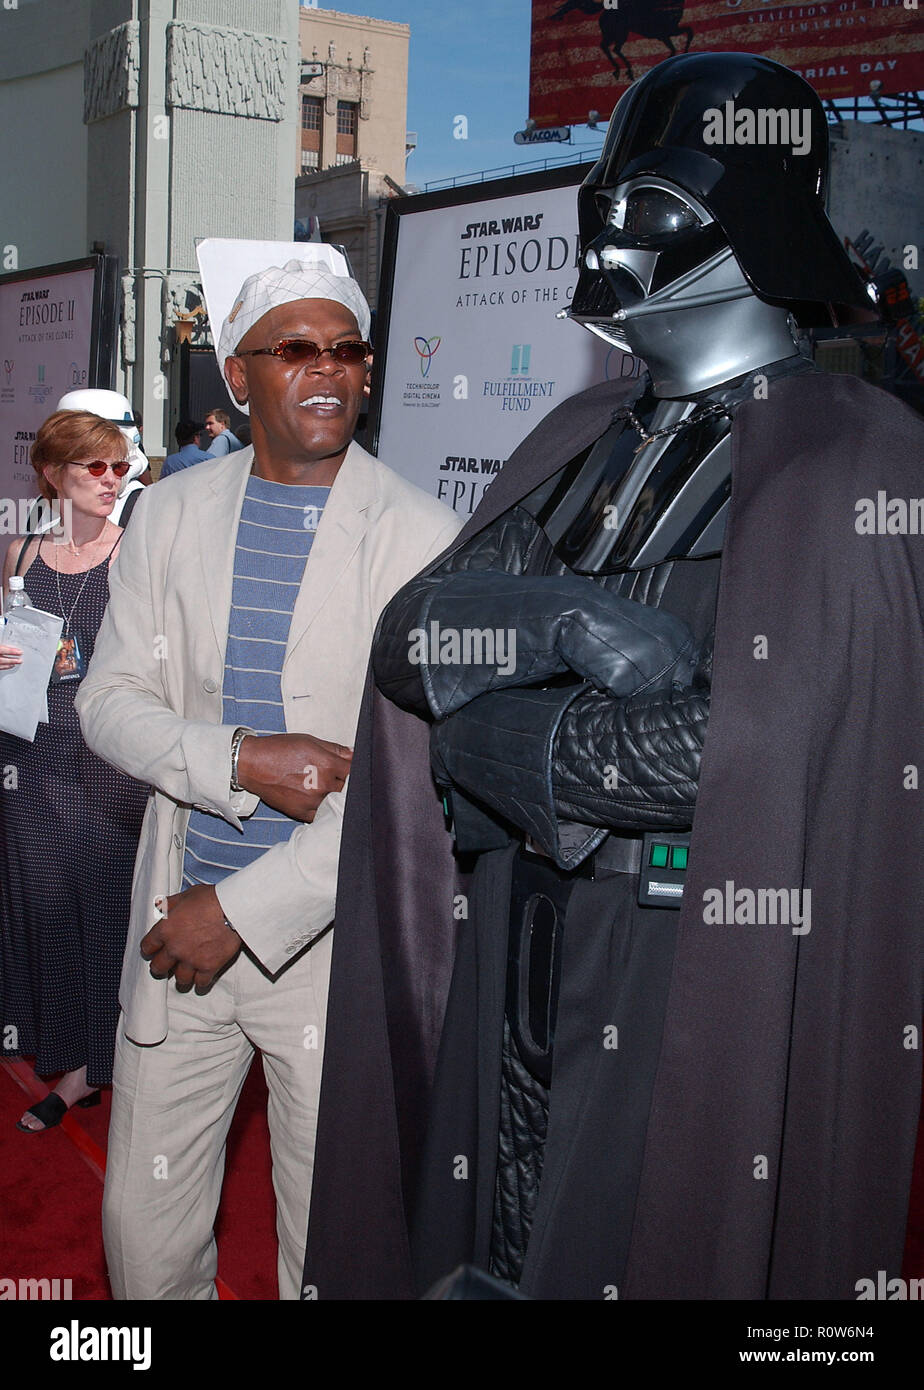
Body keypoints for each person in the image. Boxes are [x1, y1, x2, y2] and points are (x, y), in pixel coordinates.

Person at [302, 52, 924, 1300]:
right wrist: (561, 619)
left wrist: (494, 750)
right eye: (604, 202)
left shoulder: (859, 457)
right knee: (499, 1245)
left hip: (699, 965)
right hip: (523, 934)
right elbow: (414, 640)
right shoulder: (581, 438)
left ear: (752, 223)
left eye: (647, 206)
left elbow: (746, 747)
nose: (607, 237)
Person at [75, 248, 462, 1300]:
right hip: (173, 936)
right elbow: (107, 704)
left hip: (334, 956)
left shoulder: (427, 541)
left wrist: (240, 912)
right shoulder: (167, 516)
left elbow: (415, 788)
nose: (326, 368)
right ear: (238, 378)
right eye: (294, 349)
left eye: (345, 349)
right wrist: (241, 759)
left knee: (328, 1250)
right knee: (143, 1243)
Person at [0, 410, 150, 1132]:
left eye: (121, 467)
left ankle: (109, 1065)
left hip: (105, 769)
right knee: (46, 913)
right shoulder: (21, 550)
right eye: (97, 467)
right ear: (55, 473)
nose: (113, 480)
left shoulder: (135, 551)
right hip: (27, 761)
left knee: (110, 918)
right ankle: (74, 1061)